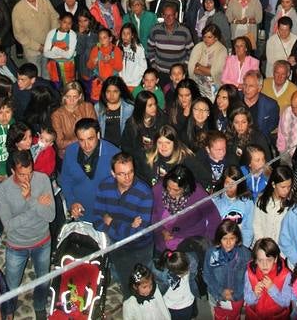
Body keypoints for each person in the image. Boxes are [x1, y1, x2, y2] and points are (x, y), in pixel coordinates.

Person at [0, 150, 55, 319]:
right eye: (22, 174)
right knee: (11, 285)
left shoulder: (43, 180)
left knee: (43, 280)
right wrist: (36, 205)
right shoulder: (4, 189)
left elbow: (50, 216)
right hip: (17, 245)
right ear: (13, 171)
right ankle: (8, 311)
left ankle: (39, 307)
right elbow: (8, 226)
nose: (27, 179)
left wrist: (29, 198)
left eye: (30, 173)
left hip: (42, 240)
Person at [94, 152, 153, 297]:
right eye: (122, 174)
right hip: (117, 247)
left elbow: (138, 235)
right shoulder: (104, 186)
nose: (128, 178)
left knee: (145, 288)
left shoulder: (144, 192)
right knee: (126, 284)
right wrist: (129, 227)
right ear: (113, 173)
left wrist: (112, 222)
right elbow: (97, 221)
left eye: (130, 172)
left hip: (141, 249)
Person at [59, 118, 118, 224]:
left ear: (98, 135)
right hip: (80, 213)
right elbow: (66, 181)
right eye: (81, 140)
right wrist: (72, 202)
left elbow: (122, 186)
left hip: (106, 216)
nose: (86, 145)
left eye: (90, 139)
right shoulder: (71, 151)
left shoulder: (114, 154)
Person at [151, 165, 218, 253]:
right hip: (164, 241)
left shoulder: (198, 193)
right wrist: (161, 230)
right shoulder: (158, 189)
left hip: (191, 241)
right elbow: (152, 213)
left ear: (186, 188)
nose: (170, 192)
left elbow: (214, 218)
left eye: (176, 190)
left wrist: (208, 241)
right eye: (168, 188)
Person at [202, 218, 251, 320]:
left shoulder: (245, 254)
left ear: (237, 238)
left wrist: (236, 295)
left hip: (237, 295)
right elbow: (207, 274)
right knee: (219, 316)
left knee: (234, 316)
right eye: (224, 238)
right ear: (219, 239)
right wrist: (221, 291)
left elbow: (248, 278)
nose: (228, 243)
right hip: (217, 294)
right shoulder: (211, 253)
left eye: (232, 238)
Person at [11, 0, 59, 74]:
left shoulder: (44, 0)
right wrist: (38, 47)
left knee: (48, 72)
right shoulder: (18, 9)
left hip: (49, 45)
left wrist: (53, 37)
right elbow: (19, 34)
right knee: (36, 75)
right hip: (32, 51)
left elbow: (54, 17)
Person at [243, 237, 292, 318]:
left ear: (275, 259)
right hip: (254, 316)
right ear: (255, 260)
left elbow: (286, 303)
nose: (264, 265)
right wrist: (255, 294)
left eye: (269, 260)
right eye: (260, 260)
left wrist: (272, 288)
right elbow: (247, 299)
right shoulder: (249, 273)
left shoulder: (285, 275)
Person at [146, 5, 193, 85]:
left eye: (171, 15)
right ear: (162, 16)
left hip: (178, 75)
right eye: (165, 15)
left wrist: (184, 66)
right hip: (160, 73)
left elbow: (191, 51)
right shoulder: (155, 30)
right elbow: (150, 49)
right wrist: (154, 65)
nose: (168, 18)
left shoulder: (184, 31)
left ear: (176, 15)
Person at [50, 80, 97, 159]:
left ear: (80, 96)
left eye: (75, 97)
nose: (71, 100)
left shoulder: (88, 107)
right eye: (68, 96)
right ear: (64, 96)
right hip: (69, 152)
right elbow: (60, 143)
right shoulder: (57, 115)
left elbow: (95, 130)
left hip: (90, 149)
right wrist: (82, 138)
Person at [213, 166, 255, 248]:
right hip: (221, 245)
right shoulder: (216, 200)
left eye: (233, 184)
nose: (230, 187)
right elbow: (213, 227)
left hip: (239, 245)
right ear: (223, 183)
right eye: (227, 183)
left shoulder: (247, 202)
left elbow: (248, 229)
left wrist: (243, 248)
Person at [252, 166, 293, 245]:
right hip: (261, 246)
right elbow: (257, 226)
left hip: (281, 250)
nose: (286, 190)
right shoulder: (262, 201)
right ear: (273, 184)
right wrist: (264, 246)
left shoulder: (290, 204)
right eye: (283, 187)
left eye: (289, 187)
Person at [188, 23, 228, 99]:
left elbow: (215, 72)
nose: (206, 40)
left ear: (216, 38)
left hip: (214, 87)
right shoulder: (199, 47)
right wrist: (207, 70)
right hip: (197, 85)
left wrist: (199, 66)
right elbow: (191, 68)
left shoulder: (222, 50)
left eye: (209, 37)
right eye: (204, 37)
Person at [43, 12, 77, 88]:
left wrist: (54, 48)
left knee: (69, 85)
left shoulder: (72, 34)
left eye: (69, 23)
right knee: (56, 84)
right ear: (59, 21)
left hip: (68, 66)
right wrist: (63, 51)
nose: (67, 25)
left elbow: (69, 56)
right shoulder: (52, 33)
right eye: (64, 22)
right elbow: (45, 53)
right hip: (54, 66)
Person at [119, 22, 148, 90]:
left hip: (134, 84)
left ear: (132, 35)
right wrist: (120, 76)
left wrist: (134, 79)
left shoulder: (138, 48)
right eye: (123, 33)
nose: (125, 36)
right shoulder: (119, 45)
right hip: (122, 83)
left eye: (128, 33)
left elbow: (143, 67)